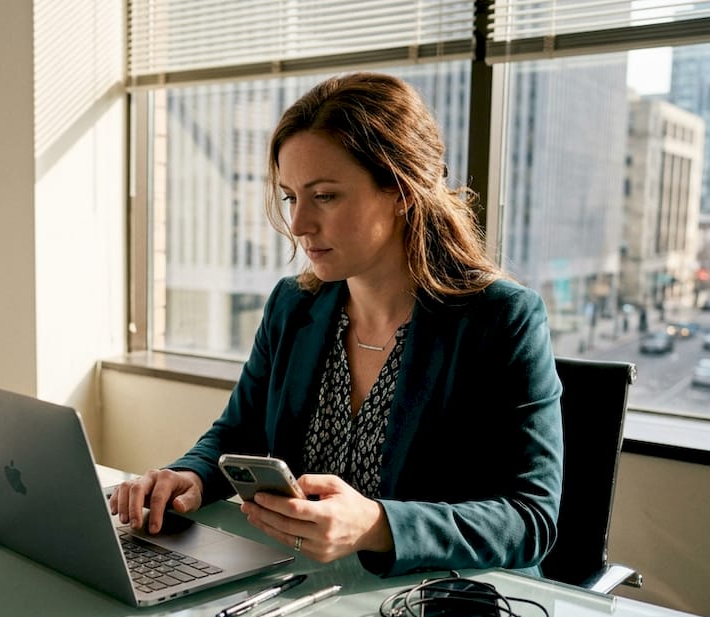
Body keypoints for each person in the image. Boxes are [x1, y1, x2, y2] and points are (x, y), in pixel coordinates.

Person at [109, 72, 563, 577]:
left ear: (402, 191)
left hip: (436, 613)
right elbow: (239, 433)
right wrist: (189, 475)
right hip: (300, 593)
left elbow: (531, 519)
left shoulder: (500, 319)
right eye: (290, 197)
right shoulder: (293, 306)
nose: (299, 223)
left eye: (324, 196)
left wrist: (377, 525)